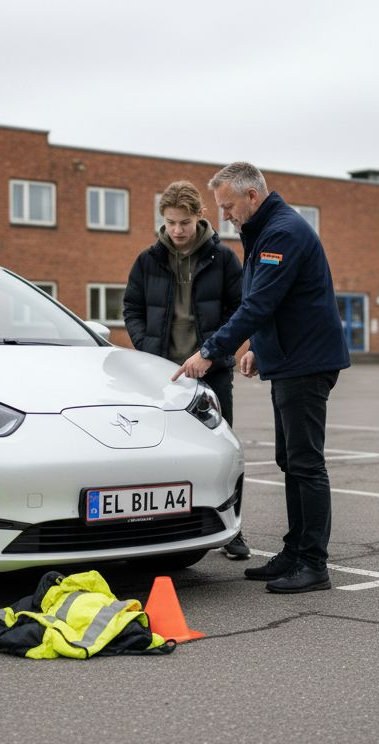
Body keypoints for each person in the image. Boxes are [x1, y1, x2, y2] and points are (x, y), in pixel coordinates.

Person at [173, 162, 350, 593]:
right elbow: (272, 302)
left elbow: (258, 305)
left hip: (306, 363)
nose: (224, 215)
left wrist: (209, 352)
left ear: (252, 196)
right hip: (290, 359)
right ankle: (295, 551)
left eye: (228, 206)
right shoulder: (264, 230)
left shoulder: (282, 233)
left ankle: (313, 563)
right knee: (290, 460)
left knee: (306, 463)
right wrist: (257, 347)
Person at [124, 180, 250, 559]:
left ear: (199, 216)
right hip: (160, 375)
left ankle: (230, 531)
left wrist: (212, 351)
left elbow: (240, 310)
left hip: (212, 372)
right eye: (170, 222)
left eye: (184, 222)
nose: (177, 230)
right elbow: (132, 309)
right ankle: (151, 526)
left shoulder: (223, 258)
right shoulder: (147, 260)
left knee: (219, 452)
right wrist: (149, 350)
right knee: (154, 451)